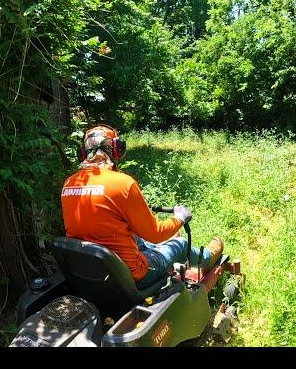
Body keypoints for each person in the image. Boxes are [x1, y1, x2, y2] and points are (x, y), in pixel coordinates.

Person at [60, 124, 223, 289]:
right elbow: (156, 234)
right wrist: (179, 218)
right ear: (115, 150)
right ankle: (208, 257)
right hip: (133, 275)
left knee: (139, 239)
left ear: (83, 153)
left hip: (91, 270)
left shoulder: (69, 184)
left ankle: (169, 246)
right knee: (179, 244)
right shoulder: (123, 183)